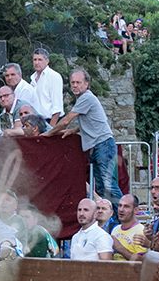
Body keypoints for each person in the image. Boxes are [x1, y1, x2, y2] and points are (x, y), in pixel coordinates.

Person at [43, 68, 123, 207]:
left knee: (108, 186)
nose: (74, 85)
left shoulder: (86, 97)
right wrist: (74, 130)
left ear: (86, 84)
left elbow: (66, 120)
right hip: (99, 146)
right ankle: (112, 219)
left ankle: (125, 216)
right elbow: (93, 121)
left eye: (78, 82)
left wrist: (48, 133)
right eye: (72, 82)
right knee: (101, 187)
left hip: (102, 145)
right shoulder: (84, 98)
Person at [29, 48, 64, 126]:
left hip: (51, 121)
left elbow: (57, 107)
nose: (37, 62)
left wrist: (50, 129)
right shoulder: (32, 79)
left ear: (47, 61)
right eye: (35, 60)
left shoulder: (54, 76)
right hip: (37, 122)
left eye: (40, 60)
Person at [111, 194, 147, 261]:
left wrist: (120, 248)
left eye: (126, 206)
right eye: (120, 205)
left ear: (136, 210)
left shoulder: (141, 231)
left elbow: (141, 262)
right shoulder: (115, 229)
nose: (121, 210)